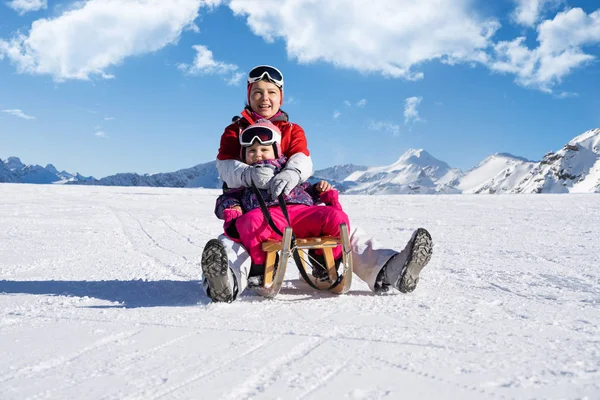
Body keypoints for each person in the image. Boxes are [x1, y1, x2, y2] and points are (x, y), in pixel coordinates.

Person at [201, 65, 433, 302]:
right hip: (257, 211)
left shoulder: (291, 130)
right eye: (257, 92)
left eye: (271, 92)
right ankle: (226, 279)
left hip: (296, 205)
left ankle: (389, 269)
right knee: (233, 240)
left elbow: (302, 159)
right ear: (249, 96)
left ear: (280, 96)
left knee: (346, 231)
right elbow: (226, 166)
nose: (264, 98)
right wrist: (250, 176)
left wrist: (291, 173)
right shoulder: (235, 130)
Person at [203, 120, 350, 302]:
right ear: (244, 155)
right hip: (267, 219)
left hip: (302, 213)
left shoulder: (288, 170)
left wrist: (320, 190)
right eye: (252, 151)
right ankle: (261, 267)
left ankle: (327, 264)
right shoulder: (242, 178)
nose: (258, 155)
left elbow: (307, 190)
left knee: (337, 218)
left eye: (264, 150)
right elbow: (227, 197)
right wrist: (231, 207)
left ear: (276, 150)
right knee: (249, 221)